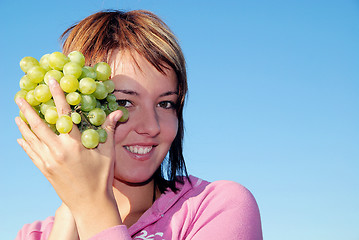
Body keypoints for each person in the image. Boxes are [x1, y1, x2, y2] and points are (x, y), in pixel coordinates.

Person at [15, 9, 263, 240]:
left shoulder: (217, 207)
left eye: (165, 104)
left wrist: (92, 206)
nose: (151, 127)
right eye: (124, 101)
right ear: (81, 107)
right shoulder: (33, 235)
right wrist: (72, 210)